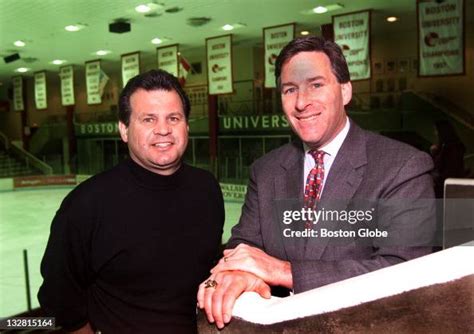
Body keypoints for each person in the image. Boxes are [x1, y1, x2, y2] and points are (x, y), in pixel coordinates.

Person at [198, 36, 435, 329]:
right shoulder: (267, 169)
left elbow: (402, 271)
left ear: (346, 90)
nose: (301, 102)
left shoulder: (402, 166)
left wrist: (284, 271)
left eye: (316, 85)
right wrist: (239, 273)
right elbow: (244, 245)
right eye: (290, 89)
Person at [38, 69, 224, 334]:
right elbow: (59, 297)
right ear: (123, 130)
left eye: (174, 118)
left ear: (187, 126)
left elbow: (209, 268)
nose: (163, 130)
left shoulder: (206, 188)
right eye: (148, 119)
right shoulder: (86, 204)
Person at [430, 119, 466, 198]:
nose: (435, 133)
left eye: (436, 130)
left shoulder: (453, 148)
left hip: (447, 186)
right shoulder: (444, 146)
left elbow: (451, 170)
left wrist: (437, 179)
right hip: (442, 185)